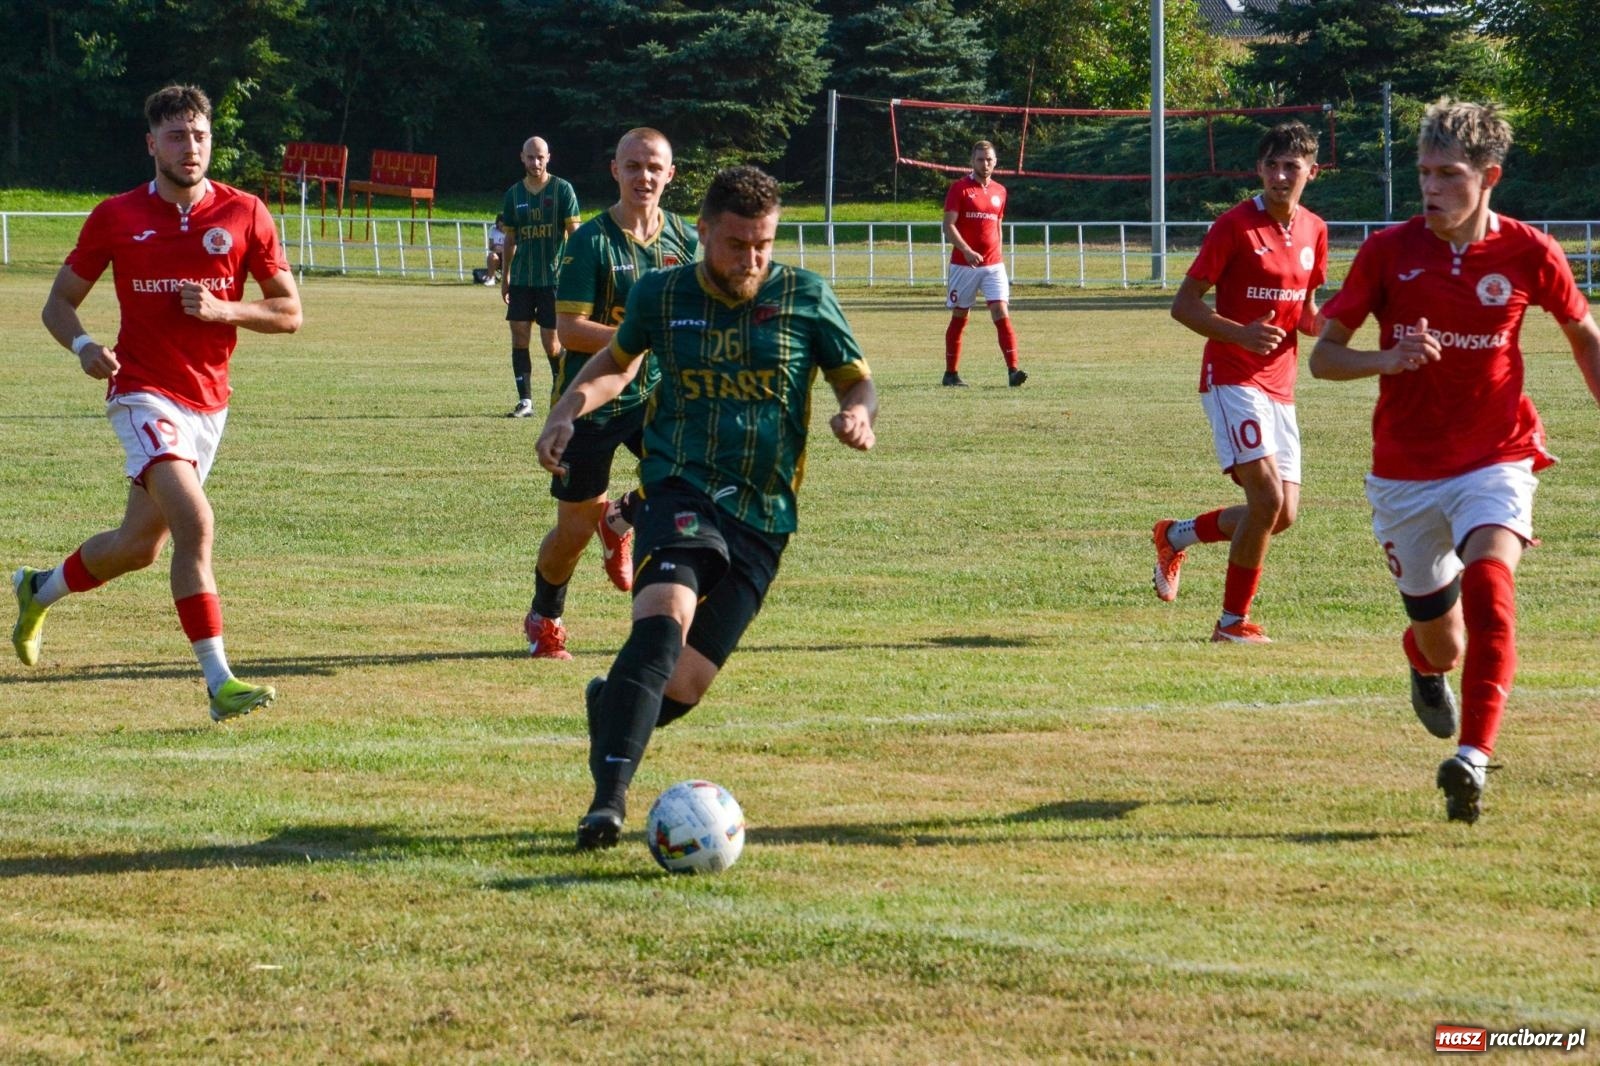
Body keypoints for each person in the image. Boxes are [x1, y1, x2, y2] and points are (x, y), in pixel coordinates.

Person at [535, 165, 877, 850]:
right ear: (704, 234)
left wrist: (857, 415)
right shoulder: (661, 294)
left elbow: (857, 381)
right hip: (681, 488)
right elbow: (616, 362)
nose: (751, 259)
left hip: (764, 516)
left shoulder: (805, 297)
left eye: (764, 244)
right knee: (662, 624)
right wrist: (568, 409)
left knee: (686, 684)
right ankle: (607, 803)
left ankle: (612, 705)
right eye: (735, 245)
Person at [1311, 99, 1600, 824]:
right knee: (1442, 644)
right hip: (1405, 472)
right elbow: (1323, 358)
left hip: (1496, 455)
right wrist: (1388, 357)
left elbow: (1584, 333)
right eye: (1423, 173)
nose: (1431, 188)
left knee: (1492, 581)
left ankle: (1472, 758)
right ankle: (1421, 661)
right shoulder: (1387, 251)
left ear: (1489, 176)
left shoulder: (1532, 251)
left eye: (1449, 174)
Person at [18, 84, 303, 721]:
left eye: (199, 134)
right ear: (152, 144)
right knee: (195, 524)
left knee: (137, 547)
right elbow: (57, 304)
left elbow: (290, 312)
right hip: (141, 392)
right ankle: (219, 682)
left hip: (210, 404)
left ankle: (38, 589)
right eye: (176, 136)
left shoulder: (245, 212)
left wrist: (225, 307)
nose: (191, 147)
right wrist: (86, 345)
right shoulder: (115, 216)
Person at [522, 128, 699, 660]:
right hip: (593, 400)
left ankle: (619, 516)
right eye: (633, 166)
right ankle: (545, 615)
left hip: (658, 397)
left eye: (654, 167)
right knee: (571, 535)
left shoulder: (685, 241)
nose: (643, 176)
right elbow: (569, 329)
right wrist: (640, 337)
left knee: (700, 481)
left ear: (670, 174)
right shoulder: (590, 241)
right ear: (615, 172)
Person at [1152, 122, 1328, 645]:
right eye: (1271, 165)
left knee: (1281, 515)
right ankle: (1232, 624)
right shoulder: (1233, 226)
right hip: (1232, 378)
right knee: (1267, 499)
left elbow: (1309, 316)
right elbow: (1183, 305)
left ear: (1310, 173)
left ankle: (1175, 534)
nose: (1280, 175)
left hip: (1281, 385)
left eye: (1291, 167)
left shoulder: (1316, 230)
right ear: (1258, 169)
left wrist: (1360, 311)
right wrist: (1241, 334)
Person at [499, 136, 580, 417]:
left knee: (552, 343)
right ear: (522, 157)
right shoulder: (513, 195)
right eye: (530, 157)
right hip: (522, 278)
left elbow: (575, 236)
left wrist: (576, 272)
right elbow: (510, 239)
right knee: (519, 336)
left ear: (549, 157)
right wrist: (505, 277)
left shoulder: (562, 190)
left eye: (540, 157)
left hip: (553, 279)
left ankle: (563, 396)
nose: (536, 162)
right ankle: (526, 401)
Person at [942, 140, 1026, 388]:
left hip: (993, 266)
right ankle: (951, 374)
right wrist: (966, 250)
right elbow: (948, 226)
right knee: (960, 315)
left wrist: (998, 254)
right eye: (980, 159)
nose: (985, 163)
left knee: (1001, 311)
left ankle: (1013, 371)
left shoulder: (1000, 191)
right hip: (963, 265)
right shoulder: (959, 189)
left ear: (995, 161)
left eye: (989, 159)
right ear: (972, 161)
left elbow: (997, 225)